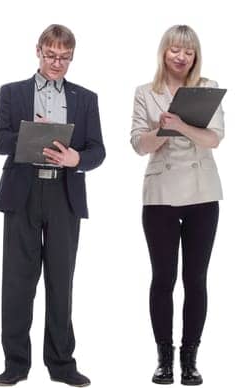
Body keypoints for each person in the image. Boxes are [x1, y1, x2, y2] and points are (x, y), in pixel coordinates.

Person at [0, 24, 104, 388]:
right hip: (22, 193)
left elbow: (97, 150)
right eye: (51, 55)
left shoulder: (86, 98)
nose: (57, 63)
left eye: (64, 57)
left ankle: (61, 363)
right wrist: (28, 134)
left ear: (72, 57)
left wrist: (76, 158)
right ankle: (16, 364)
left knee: (61, 282)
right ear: (37, 50)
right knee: (18, 283)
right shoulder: (13, 92)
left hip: (64, 196)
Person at [130, 25, 223, 387]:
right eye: (174, 50)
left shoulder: (208, 88)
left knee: (195, 279)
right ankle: (164, 359)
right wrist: (163, 129)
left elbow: (214, 138)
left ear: (195, 55)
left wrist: (181, 124)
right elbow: (139, 144)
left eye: (188, 50)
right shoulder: (145, 93)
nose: (181, 56)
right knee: (163, 279)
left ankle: (191, 359)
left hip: (202, 193)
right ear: (164, 53)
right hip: (160, 196)